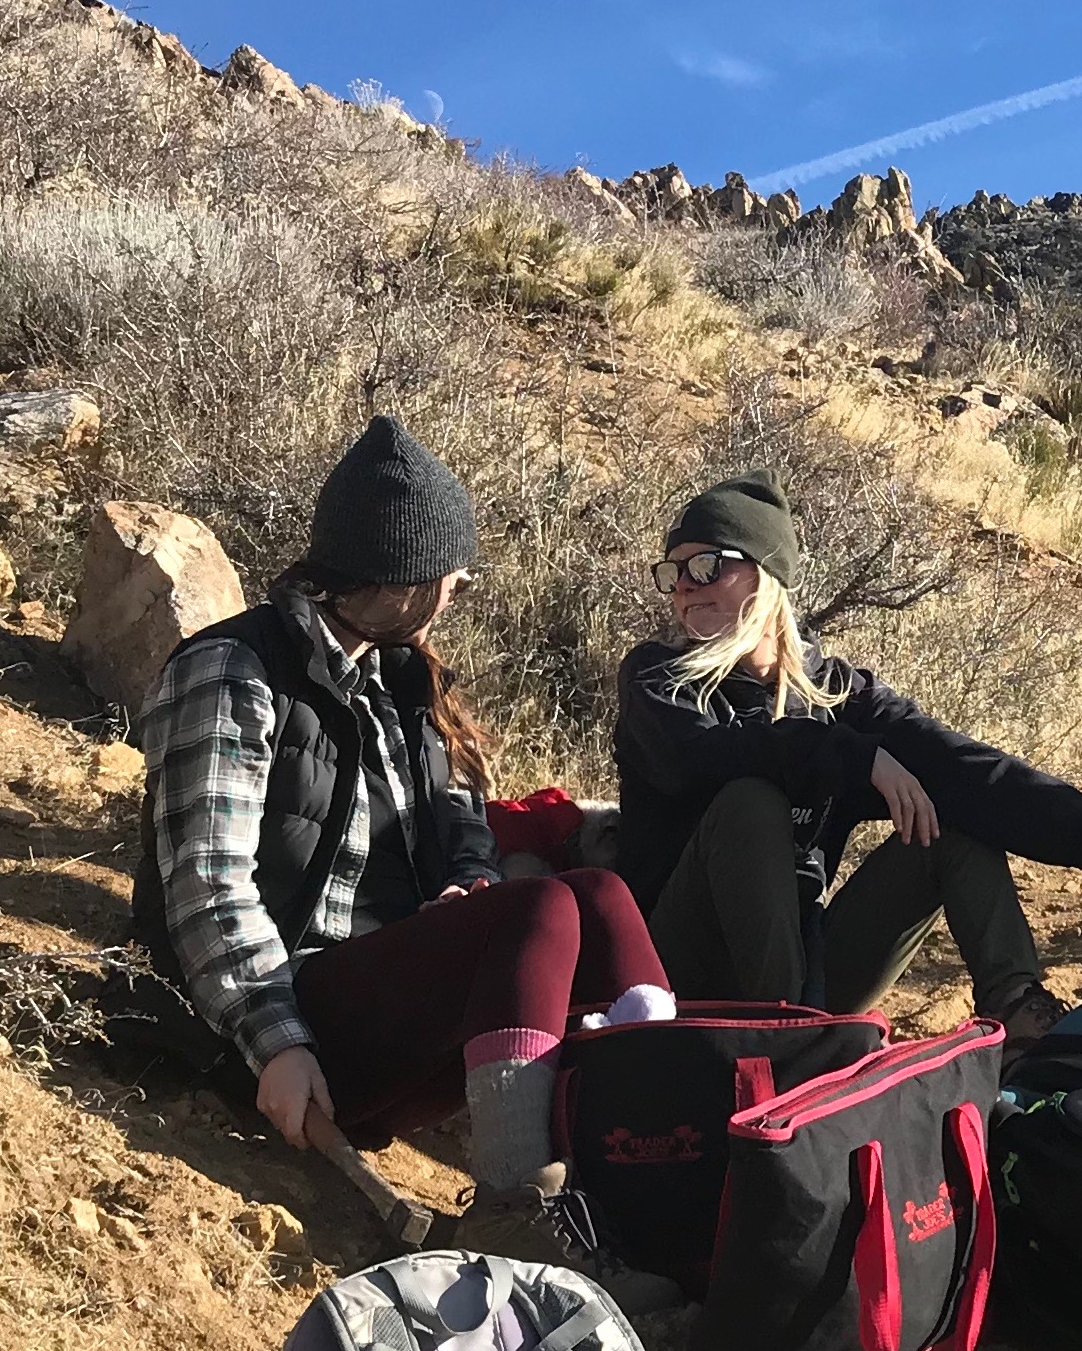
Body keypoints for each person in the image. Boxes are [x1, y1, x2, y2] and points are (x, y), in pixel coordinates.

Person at [134, 416, 679, 1193]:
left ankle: (665, 1159)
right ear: (404, 575)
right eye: (452, 575)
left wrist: (468, 886)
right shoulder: (233, 671)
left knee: (598, 895)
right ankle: (514, 1196)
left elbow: (462, 821)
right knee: (542, 907)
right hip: (271, 1030)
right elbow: (206, 883)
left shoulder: (399, 678)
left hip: (378, 1000)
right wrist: (278, 1043)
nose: (457, 592)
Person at [611, 474, 1082, 1036]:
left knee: (951, 821)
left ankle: (1022, 1019)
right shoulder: (656, 678)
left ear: (765, 575)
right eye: (672, 574)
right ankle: (791, 1036)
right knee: (749, 801)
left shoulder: (835, 694)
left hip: (808, 967)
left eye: (706, 566)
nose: (684, 587)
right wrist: (852, 757)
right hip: (678, 974)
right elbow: (699, 757)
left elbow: (953, 763)